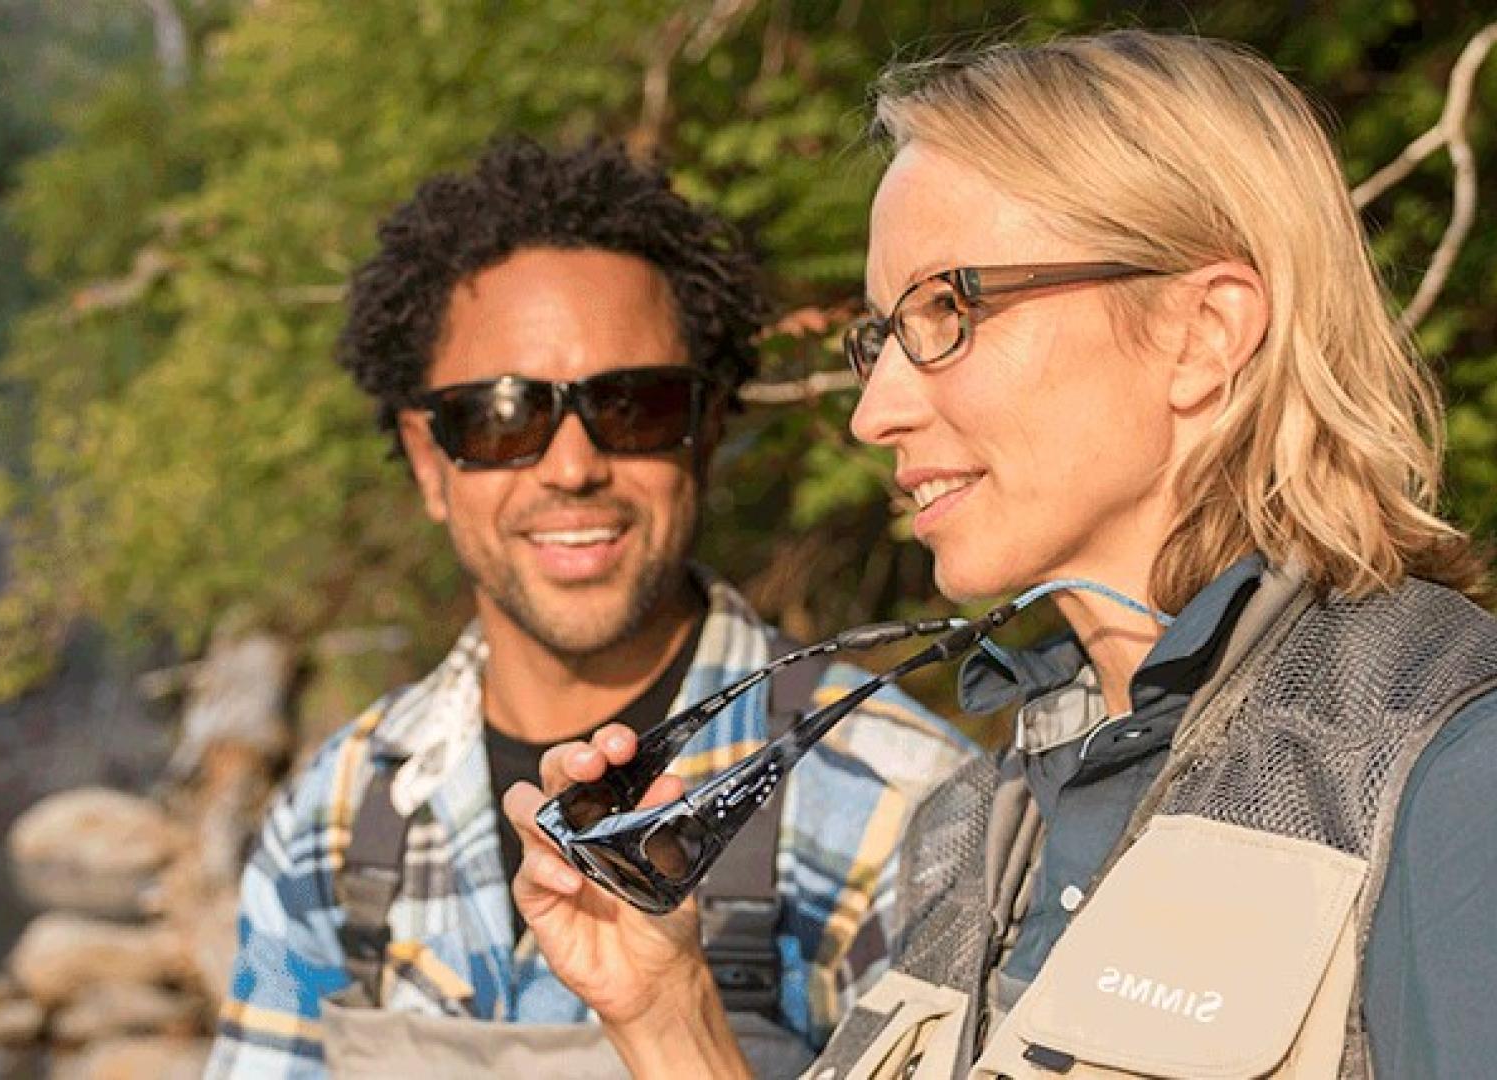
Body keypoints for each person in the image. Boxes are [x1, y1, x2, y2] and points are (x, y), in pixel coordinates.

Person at [506, 30, 1497, 1080]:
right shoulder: (978, 822)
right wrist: (667, 1016)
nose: (875, 413)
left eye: (952, 311)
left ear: (1202, 334)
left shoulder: (1441, 774)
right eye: (882, 334)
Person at [204, 138, 971, 1079]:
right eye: (503, 415)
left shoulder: (905, 809)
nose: (572, 468)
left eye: (636, 406)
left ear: (708, 430)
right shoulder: (333, 817)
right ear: (425, 458)